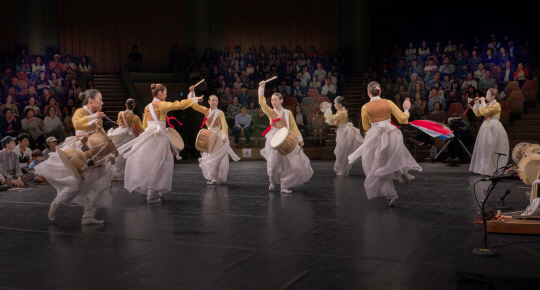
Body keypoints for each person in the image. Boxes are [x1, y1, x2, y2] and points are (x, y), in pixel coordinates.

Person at [36, 89, 116, 225]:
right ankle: (57, 203)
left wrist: (109, 153)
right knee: (77, 184)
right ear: (90, 100)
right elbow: (78, 124)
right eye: (100, 99)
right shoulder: (81, 111)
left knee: (101, 184)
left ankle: (88, 215)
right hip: (82, 151)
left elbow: (101, 137)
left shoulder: (98, 118)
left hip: (96, 153)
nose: (102, 102)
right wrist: (95, 116)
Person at [118, 84, 201, 203]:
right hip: (159, 138)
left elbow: (145, 125)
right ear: (160, 93)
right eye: (166, 93)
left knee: (150, 163)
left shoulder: (147, 106)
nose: (167, 95)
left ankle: (153, 189)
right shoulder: (162, 105)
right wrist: (195, 98)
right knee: (160, 165)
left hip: (149, 137)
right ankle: (152, 193)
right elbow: (179, 105)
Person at [348, 82, 422, 207]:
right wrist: (406, 110)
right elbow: (403, 119)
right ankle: (399, 170)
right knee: (394, 155)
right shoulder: (388, 102)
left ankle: (392, 194)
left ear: (369, 93)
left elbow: (365, 127)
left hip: (375, 137)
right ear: (380, 92)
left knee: (376, 166)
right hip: (391, 134)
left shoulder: (365, 107)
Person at [258, 80, 313, 194]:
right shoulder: (270, 112)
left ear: (281, 101)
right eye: (272, 100)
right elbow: (262, 103)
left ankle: (284, 186)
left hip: (286, 138)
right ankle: (273, 182)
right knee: (273, 165)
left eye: (275, 100)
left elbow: (293, 127)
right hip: (274, 139)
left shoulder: (288, 113)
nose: (273, 102)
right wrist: (262, 88)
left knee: (287, 165)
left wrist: (300, 139)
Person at [190, 88, 240, 185]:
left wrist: (224, 136)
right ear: (208, 102)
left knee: (216, 160)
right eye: (213, 100)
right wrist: (192, 92)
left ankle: (215, 178)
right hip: (208, 137)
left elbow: (224, 125)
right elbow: (194, 106)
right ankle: (214, 178)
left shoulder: (220, 113)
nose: (215, 102)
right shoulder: (206, 110)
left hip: (217, 137)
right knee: (209, 158)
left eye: (216, 101)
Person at [469, 88, 509, 176]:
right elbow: (478, 114)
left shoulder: (497, 104)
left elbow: (484, 112)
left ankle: (492, 169)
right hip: (487, 125)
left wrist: (482, 102)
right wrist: (476, 104)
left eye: (487, 94)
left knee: (491, 147)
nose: (486, 96)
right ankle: (484, 168)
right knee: (484, 147)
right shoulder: (488, 104)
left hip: (493, 126)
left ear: (493, 96)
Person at [321, 96, 363, 176]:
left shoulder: (343, 112)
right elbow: (336, 122)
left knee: (343, 151)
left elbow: (333, 118)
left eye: (335, 103)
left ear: (340, 104)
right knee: (341, 152)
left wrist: (328, 110)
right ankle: (343, 169)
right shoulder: (339, 111)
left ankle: (344, 170)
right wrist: (328, 120)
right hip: (341, 132)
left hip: (345, 133)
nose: (334, 105)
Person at [107, 99, 144, 180]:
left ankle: (114, 173)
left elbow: (118, 122)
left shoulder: (121, 113)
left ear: (126, 105)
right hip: (129, 136)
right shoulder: (136, 117)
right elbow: (140, 128)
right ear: (134, 106)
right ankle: (126, 174)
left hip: (120, 133)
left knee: (117, 152)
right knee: (128, 154)